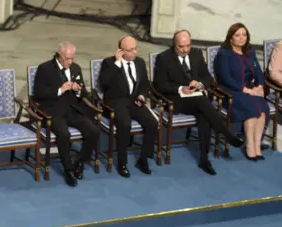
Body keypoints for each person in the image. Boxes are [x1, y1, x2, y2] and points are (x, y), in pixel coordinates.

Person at [153, 29, 244, 175]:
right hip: (178, 100)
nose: (185, 50)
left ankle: (204, 159)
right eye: (181, 47)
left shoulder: (196, 54)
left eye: (188, 45)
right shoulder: (164, 58)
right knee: (203, 102)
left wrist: (200, 84)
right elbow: (159, 84)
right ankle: (226, 134)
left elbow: (208, 78)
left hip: (198, 98)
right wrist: (181, 88)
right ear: (174, 45)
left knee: (204, 117)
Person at [33, 41, 100, 187]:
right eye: (67, 58)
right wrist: (60, 90)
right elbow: (38, 94)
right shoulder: (45, 69)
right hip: (53, 111)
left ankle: (81, 161)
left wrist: (77, 90)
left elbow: (84, 92)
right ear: (59, 55)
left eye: (72, 58)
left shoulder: (76, 68)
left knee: (93, 131)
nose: (70, 62)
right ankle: (68, 169)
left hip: (72, 109)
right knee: (64, 134)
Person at [99, 35, 158, 178]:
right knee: (125, 124)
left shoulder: (140, 63)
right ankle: (122, 163)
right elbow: (104, 84)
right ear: (121, 51)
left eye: (135, 48)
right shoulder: (109, 63)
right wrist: (117, 64)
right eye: (130, 50)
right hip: (116, 101)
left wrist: (142, 95)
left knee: (152, 122)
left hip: (134, 101)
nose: (135, 52)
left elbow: (144, 84)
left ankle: (143, 159)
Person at [214, 23, 269, 160]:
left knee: (262, 109)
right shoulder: (224, 54)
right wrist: (245, 90)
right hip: (231, 92)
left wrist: (260, 86)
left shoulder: (250, 51)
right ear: (230, 38)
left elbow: (258, 71)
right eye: (237, 35)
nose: (241, 38)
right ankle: (250, 146)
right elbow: (225, 78)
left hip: (249, 90)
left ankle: (257, 145)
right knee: (251, 110)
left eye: (244, 35)